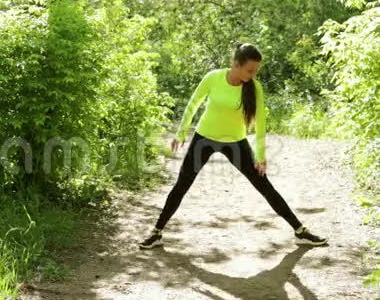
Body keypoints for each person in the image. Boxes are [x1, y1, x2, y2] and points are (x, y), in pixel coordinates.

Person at [138, 42, 328, 249]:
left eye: (256, 70)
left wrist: (261, 155)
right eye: (250, 70)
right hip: (204, 139)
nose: (253, 74)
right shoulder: (214, 78)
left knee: (264, 186)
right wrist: (181, 132)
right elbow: (193, 103)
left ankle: (300, 231)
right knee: (182, 185)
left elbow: (261, 122)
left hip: (236, 143)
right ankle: (157, 232)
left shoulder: (254, 87)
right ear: (236, 64)